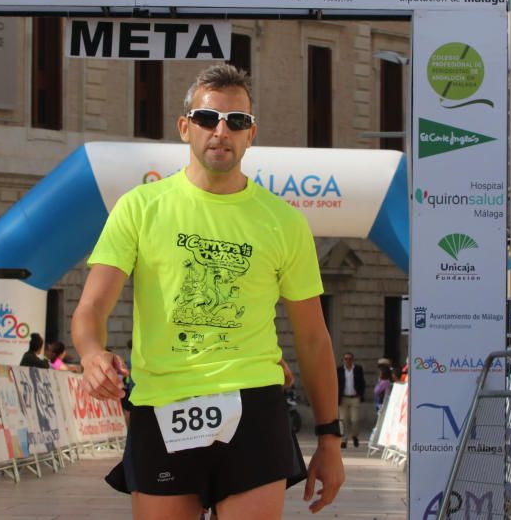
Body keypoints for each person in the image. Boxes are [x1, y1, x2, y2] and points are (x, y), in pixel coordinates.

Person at [71, 64, 344, 519]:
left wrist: (330, 439)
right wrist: (92, 353)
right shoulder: (140, 207)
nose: (221, 131)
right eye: (206, 118)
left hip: (254, 406)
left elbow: (314, 338)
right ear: (185, 128)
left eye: (236, 121)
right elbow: (91, 307)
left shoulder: (284, 222)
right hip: (164, 405)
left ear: (251, 134)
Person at [336, 352, 366, 448]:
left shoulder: (358, 369)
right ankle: (344, 440)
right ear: (343, 360)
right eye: (346, 359)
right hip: (343, 398)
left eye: (349, 359)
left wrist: (361, 394)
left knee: (355, 420)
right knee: (343, 420)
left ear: (352, 360)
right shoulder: (339, 370)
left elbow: (362, 383)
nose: (348, 361)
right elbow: (336, 384)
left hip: (355, 398)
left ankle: (354, 436)